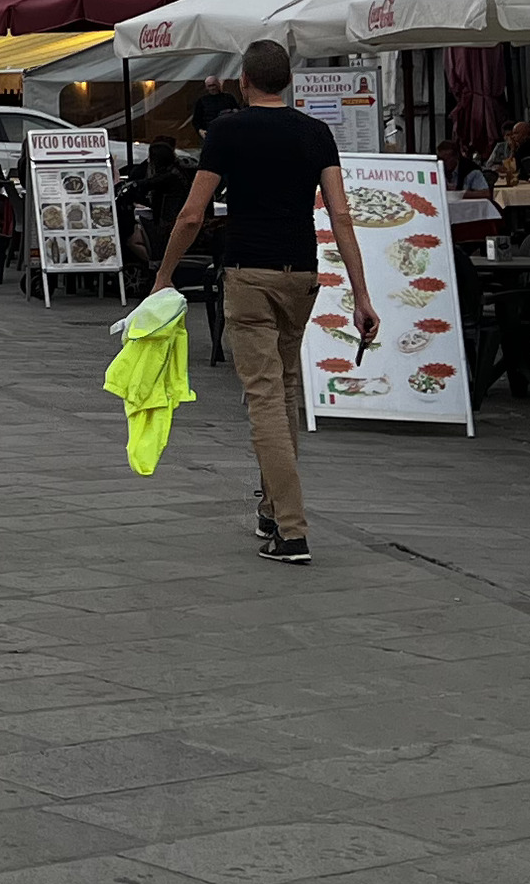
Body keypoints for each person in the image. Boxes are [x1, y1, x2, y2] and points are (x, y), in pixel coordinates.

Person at [154, 37, 377, 567]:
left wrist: (163, 275)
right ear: (289, 81)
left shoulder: (228, 130)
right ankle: (273, 510)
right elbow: (341, 216)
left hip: (247, 272)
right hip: (301, 274)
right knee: (286, 387)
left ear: (244, 82)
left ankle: (292, 530)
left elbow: (192, 213)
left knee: (263, 398)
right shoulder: (316, 133)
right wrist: (362, 295)